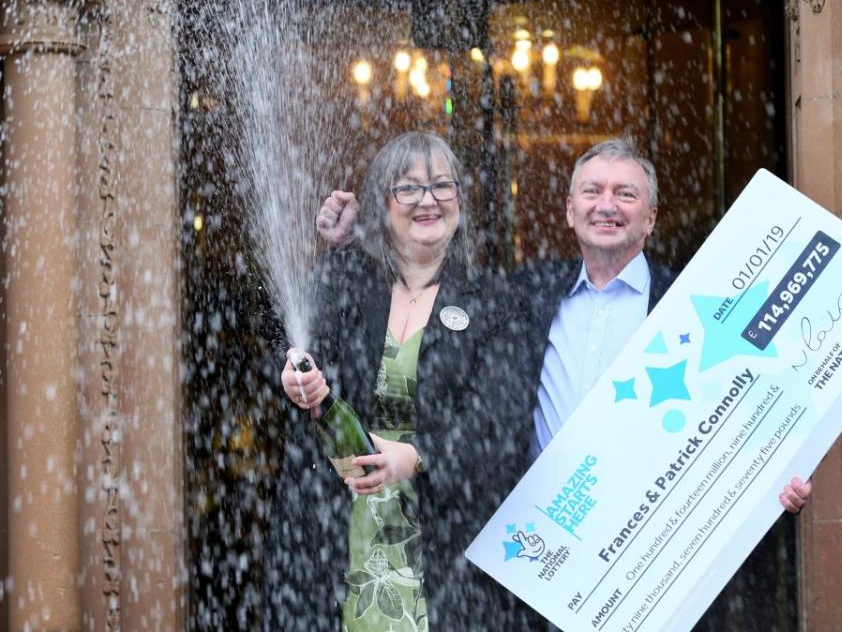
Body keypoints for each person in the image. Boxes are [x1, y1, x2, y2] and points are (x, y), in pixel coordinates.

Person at [319, 138, 812, 514]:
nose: (607, 205)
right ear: (569, 212)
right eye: (592, 192)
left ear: (652, 217)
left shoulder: (694, 304)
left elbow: (752, 400)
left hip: (656, 529)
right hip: (541, 541)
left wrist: (776, 477)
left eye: (626, 194)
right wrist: (353, 245)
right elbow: (419, 269)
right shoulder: (523, 294)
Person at [263, 132, 542, 631]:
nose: (428, 200)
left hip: (448, 559)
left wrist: (414, 457)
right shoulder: (345, 282)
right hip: (332, 545)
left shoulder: (498, 304)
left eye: (442, 185)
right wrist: (292, 380)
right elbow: (292, 368)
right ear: (381, 203)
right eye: (408, 188)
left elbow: (499, 429)